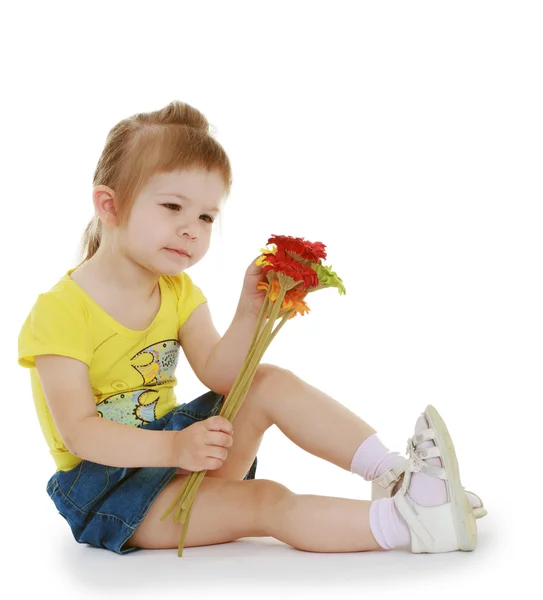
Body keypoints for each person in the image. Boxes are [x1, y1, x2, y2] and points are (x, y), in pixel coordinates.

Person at [18, 100, 485, 556]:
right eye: (172, 206)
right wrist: (177, 447)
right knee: (265, 501)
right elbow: (80, 432)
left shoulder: (177, 292)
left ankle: (398, 478)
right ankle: (412, 526)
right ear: (109, 205)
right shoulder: (60, 312)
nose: (192, 229)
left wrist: (248, 311)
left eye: (205, 216)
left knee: (266, 381)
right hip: (109, 494)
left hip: (178, 452)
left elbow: (223, 375)